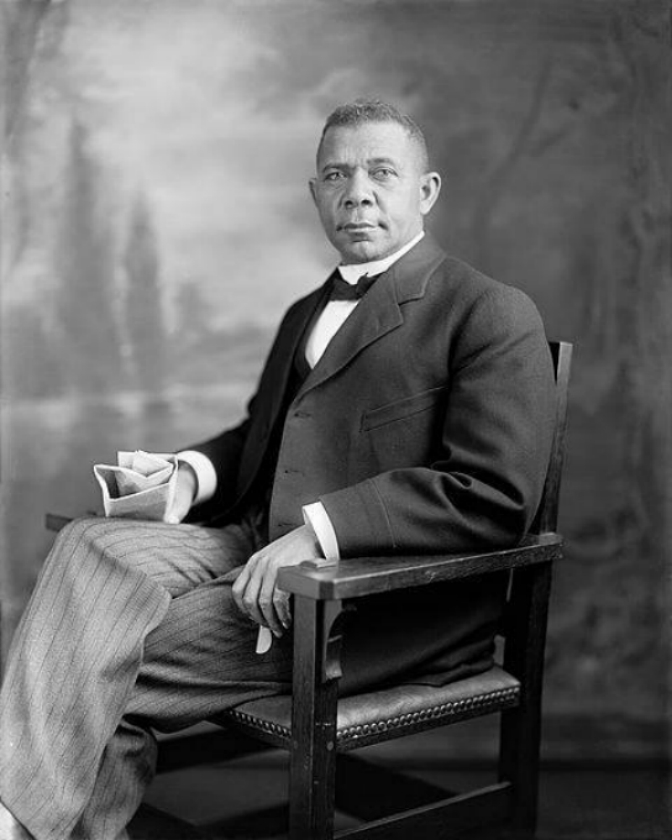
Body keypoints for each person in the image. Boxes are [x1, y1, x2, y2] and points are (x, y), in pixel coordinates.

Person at [0, 99, 556, 839]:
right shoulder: (305, 312)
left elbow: (493, 494)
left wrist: (322, 534)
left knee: (100, 652)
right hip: (252, 547)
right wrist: (187, 477)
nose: (357, 190)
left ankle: (15, 820)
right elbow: (259, 436)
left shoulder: (490, 311)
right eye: (337, 174)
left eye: (381, 172)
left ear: (425, 192)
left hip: (369, 602)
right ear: (316, 195)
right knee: (89, 546)